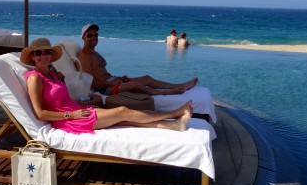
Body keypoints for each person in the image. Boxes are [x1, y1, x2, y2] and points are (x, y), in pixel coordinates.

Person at [22, 38, 193, 134]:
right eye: (38, 53)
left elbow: (64, 97)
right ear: (32, 57)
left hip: (79, 111)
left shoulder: (52, 74)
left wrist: (81, 106)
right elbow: (39, 113)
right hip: (70, 121)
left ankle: (174, 125)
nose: (43, 56)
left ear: (51, 56)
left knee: (126, 118)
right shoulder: (35, 79)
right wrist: (71, 115)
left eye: (46, 52)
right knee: (122, 111)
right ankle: (174, 113)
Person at [78, 24, 198, 96]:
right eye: (90, 35)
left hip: (113, 81)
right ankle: (168, 92)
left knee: (147, 78)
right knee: (135, 85)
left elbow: (102, 73)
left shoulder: (95, 53)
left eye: (95, 35)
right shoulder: (84, 56)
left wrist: (119, 78)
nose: (94, 37)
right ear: (83, 37)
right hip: (106, 89)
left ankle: (181, 85)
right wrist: (111, 83)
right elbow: (91, 82)